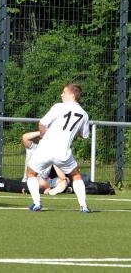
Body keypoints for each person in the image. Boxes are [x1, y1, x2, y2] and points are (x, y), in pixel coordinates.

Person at [25, 83, 91, 212]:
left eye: (64, 92)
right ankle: (84, 206)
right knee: (76, 176)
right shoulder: (84, 114)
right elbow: (84, 135)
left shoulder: (59, 107)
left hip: (46, 148)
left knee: (31, 173)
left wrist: (43, 135)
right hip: (63, 152)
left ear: (72, 95)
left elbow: (42, 123)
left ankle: (37, 203)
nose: (61, 94)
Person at [21, 131, 69, 195]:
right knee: (40, 181)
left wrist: (64, 179)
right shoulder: (33, 148)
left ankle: (49, 191)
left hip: (46, 181)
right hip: (32, 179)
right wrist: (43, 132)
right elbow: (25, 137)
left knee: (67, 180)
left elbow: (62, 176)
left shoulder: (52, 153)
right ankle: (51, 190)